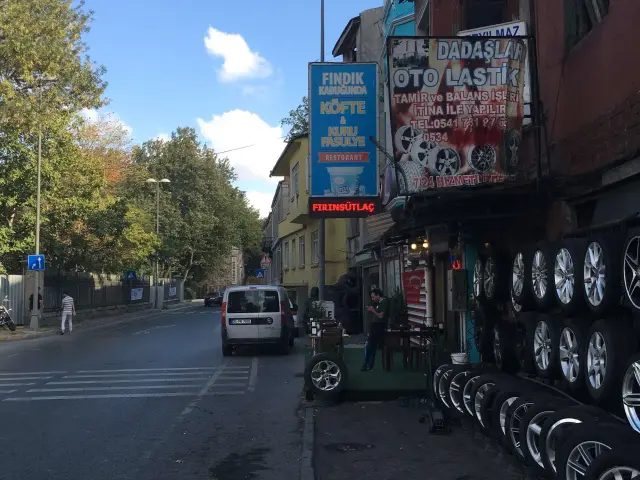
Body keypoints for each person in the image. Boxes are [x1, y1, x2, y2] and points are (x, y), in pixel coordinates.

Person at [362, 288, 390, 371]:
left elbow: (381, 316)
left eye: (373, 297)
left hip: (378, 326)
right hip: (375, 326)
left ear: (378, 295)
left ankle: (367, 364)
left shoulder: (384, 302)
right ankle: (369, 365)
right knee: (371, 346)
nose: (372, 299)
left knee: (370, 346)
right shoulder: (379, 303)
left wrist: (373, 310)